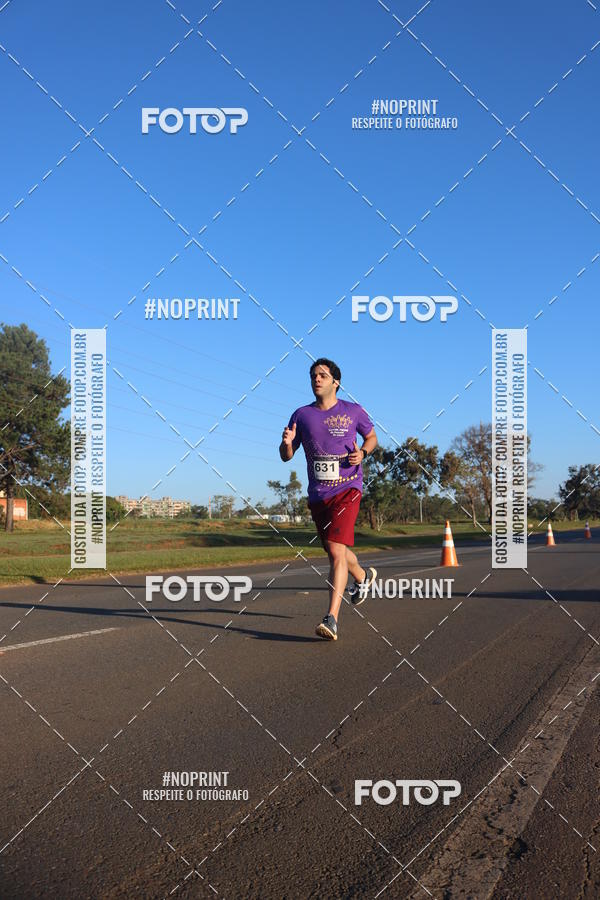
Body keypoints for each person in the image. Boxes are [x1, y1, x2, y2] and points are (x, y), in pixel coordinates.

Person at [279, 357, 378, 641]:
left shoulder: (353, 411)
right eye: (313, 375)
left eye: (322, 375)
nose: (316, 379)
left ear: (336, 381)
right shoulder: (301, 415)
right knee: (336, 550)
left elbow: (371, 438)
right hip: (318, 494)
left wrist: (364, 453)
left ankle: (331, 618)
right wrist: (286, 444)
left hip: (348, 488)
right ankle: (362, 577)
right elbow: (287, 457)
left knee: (335, 550)